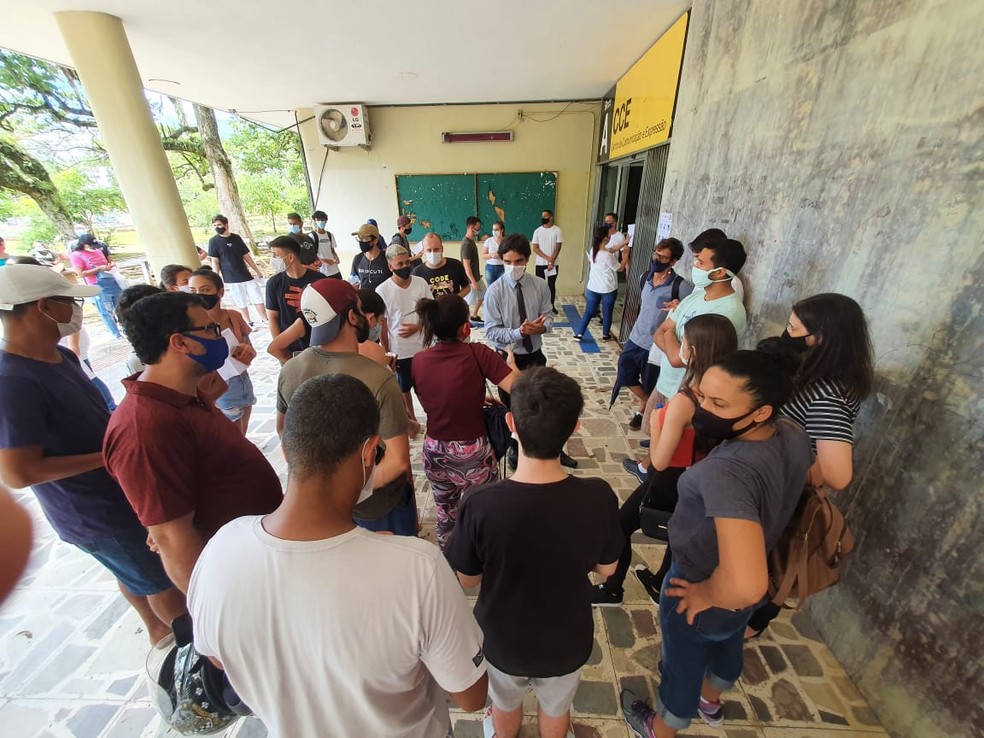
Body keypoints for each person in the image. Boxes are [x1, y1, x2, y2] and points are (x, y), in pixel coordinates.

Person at [188, 374, 488, 738]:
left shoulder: (221, 548)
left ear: (288, 447)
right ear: (368, 452)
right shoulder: (418, 569)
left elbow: (217, 657)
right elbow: (472, 696)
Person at [620, 350, 812, 737]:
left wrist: (707, 591)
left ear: (760, 411)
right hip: (747, 582)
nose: (702, 408)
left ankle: (663, 726)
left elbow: (745, 584)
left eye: (718, 403)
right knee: (727, 644)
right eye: (702, 396)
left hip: (700, 577)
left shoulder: (729, 471)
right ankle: (711, 700)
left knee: (682, 661)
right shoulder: (790, 433)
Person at [0, 265, 185, 644]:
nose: (74, 309)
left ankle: (156, 632)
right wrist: (107, 456)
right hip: (93, 510)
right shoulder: (13, 381)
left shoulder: (60, 358)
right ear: (42, 307)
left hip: (118, 488)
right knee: (158, 580)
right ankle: (190, 643)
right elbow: (18, 473)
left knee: (133, 572)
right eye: (68, 301)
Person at [447, 367, 622, 738]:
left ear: (511, 422)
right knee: (557, 712)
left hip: (502, 639)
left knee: (504, 707)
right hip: (566, 638)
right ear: (575, 427)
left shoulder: (479, 503)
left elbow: (466, 579)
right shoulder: (598, 496)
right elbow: (608, 569)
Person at [104, 292, 283, 593]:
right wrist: (217, 611)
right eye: (211, 330)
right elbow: (172, 539)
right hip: (237, 580)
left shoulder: (188, 395)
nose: (221, 336)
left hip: (259, 555)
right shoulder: (145, 427)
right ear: (180, 342)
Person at [743, 292, 874, 639]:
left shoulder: (826, 394)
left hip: (782, 497)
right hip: (775, 490)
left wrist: (782, 476)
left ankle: (749, 626)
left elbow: (837, 473)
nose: (787, 333)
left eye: (793, 327)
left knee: (767, 562)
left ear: (820, 338)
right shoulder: (821, 377)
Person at [593, 314, 738, 607]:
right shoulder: (731, 393)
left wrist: (659, 422)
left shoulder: (688, 400)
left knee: (621, 525)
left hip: (671, 477)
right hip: (704, 476)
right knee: (679, 529)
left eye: (684, 340)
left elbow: (658, 461)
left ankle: (612, 590)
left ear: (693, 350)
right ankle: (660, 584)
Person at [276, 279, 415, 535]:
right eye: (361, 309)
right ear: (352, 316)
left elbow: (285, 436)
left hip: (318, 509)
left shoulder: (290, 369)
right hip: (376, 507)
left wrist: (325, 498)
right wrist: (353, 496)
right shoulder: (379, 379)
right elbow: (398, 460)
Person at [623, 237, 747, 484]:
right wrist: (673, 345)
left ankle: (654, 478)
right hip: (667, 381)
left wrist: (671, 342)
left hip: (688, 391)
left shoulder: (728, 311)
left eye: (701, 262)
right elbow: (661, 331)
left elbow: (680, 358)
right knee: (656, 431)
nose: (695, 265)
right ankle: (648, 469)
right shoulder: (696, 297)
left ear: (720, 271)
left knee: (674, 450)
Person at [412, 295, 518, 549]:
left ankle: (450, 561)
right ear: (466, 327)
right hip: (472, 453)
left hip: (434, 451)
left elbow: (438, 395)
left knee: (446, 512)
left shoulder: (418, 360)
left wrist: (475, 397)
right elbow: (519, 388)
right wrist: (511, 364)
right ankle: (486, 559)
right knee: (489, 511)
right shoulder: (478, 353)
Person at [483, 234, 578, 469]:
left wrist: (542, 327)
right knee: (513, 407)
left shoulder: (540, 286)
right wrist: (519, 333)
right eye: (507, 262)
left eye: (518, 261)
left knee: (544, 406)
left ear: (526, 259)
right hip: (507, 359)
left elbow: (551, 317)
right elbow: (492, 331)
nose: (512, 267)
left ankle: (553, 448)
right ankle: (516, 447)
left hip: (535, 356)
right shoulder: (494, 292)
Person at [613, 238, 691, 430]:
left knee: (650, 381)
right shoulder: (645, 277)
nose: (657, 259)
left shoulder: (680, 287)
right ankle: (648, 404)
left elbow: (690, 315)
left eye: (663, 257)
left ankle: (642, 412)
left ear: (673, 261)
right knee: (625, 373)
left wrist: (679, 307)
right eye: (656, 254)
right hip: (635, 337)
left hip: (656, 346)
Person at [188, 268, 258, 434]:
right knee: (233, 437)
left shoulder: (234, 316)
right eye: (193, 291)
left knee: (243, 432)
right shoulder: (190, 327)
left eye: (205, 290)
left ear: (220, 292)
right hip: (218, 388)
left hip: (242, 382)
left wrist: (246, 351)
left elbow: (251, 351)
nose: (198, 295)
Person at [376, 244, 432, 438]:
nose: (405, 266)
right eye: (399, 263)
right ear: (390, 266)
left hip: (423, 347)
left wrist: (418, 327)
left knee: (425, 386)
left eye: (407, 262)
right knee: (404, 388)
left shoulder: (420, 283)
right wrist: (386, 351)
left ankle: (432, 417)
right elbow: (383, 324)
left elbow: (430, 313)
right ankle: (412, 420)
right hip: (400, 350)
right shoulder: (382, 290)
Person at [265, 287, 392, 370]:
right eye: (379, 321)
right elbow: (274, 348)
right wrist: (298, 366)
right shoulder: (371, 349)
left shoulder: (346, 331)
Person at [265, 235, 327, 354]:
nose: (272, 259)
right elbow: (272, 317)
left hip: (318, 344)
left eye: (276, 255)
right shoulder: (273, 283)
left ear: (291, 257)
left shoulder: (319, 280)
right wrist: (280, 346)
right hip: (290, 347)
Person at [573, 225, 628, 341]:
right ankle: (605, 334)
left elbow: (612, 249)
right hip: (608, 289)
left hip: (593, 288)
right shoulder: (607, 256)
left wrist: (624, 243)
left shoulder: (594, 250)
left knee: (588, 312)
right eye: (608, 236)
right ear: (605, 238)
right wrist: (626, 255)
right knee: (607, 312)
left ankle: (579, 333)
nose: (610, 237)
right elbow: (620, 268)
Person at [208, 215, 267, 325]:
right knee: (241, 300)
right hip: (230, 277)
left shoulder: (236, 238)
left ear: (226, 225)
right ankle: (248, 322)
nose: (217, 227)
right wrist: (216, 279)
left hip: (245, 274)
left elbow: (246, 255)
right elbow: (215, 261)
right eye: (215, 226)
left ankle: (265, 319)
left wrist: (257, 270)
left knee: (257, 297)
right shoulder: (213, 242)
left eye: (219, 225)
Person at [69, 233, 122, 339]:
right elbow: (80, 273)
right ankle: (116, 334)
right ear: (84, 244)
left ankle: (125, 328)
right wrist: (98, 269)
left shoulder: (98, 251)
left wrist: (110, 265)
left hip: (111, 281)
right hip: (98, 284)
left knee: (120, 307)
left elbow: (107, 262)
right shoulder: (76, 255)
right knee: (106, 311)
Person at [412, 233, 470, 299]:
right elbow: (414, 296)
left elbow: (467, 287)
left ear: (442, 249)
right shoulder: (417, 272)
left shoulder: (456, 265)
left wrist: (455, 300)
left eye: (436, 249)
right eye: (429, 250)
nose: (433, 253)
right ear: (423, 251)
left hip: (454, 308)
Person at [531, 209, 563, 314]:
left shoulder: (557, 230)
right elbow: (535, 247)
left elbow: (558, 246)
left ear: (551, 217)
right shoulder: (537, 231)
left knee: (551, 285)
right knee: (540, 286)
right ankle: (540, 307)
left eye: (545, 216)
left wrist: (551, 260)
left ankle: (551, 306)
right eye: (542, 216)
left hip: (553, 263)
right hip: (540, 263)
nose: (543, 218)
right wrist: (547, 258)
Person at [349, 223, 391, 290]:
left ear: (375, 240)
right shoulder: (358, 259)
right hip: (365, 299)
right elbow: (354, 283)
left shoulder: (387, 258)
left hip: (383, 298)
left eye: (365, 238)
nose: (361, 241)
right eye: (359, 238)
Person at [460, 216, 485, 322]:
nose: (479, 230)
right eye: (477, 227)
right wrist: (473, 281)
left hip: (476, 276)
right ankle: (467, 318)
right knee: (469, 300)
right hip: (472, 278)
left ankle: (473, 315)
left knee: (483, 295)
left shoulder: (471, 242)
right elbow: (466, 265)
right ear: (471, 227)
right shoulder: (466, 244)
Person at [309, 210, 342, 278]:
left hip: (334, 269)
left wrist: (336, 257)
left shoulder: (330, 235)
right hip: (322, 271)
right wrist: (323, 260)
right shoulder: (312, 236)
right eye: (318, 220)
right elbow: (311, 254)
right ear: (314, 221)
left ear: (326, 221)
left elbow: (332, 250)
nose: (321, 222)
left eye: (323, 220)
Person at [482, 220, 505, 285]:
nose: (494, 231)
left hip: (502, 267)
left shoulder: (506, 241)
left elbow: (510, 254)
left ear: (502, 230)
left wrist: (501, 255)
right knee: (491, 287)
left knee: (502, 287)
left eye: (496, 229)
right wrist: (491, 255)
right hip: (490, 267)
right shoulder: (489, 241)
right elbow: (483, 255)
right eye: (493, 229)